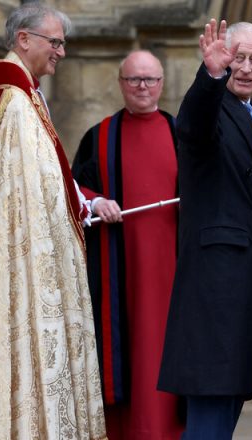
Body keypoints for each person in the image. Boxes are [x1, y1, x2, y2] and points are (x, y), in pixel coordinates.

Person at [0, 3, 106, 439]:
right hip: (24, 261)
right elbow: (26, 199)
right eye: (55, 42)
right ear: (24, 39)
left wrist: (84, 206)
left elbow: (49, 180)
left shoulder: (23, 95)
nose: (62, 52)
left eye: (63, 43)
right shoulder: (14, 102)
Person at [157, 19, 252, 440]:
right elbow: (192, 124)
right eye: (237, 58)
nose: (243, 68)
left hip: (244, 279)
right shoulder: (213, 107)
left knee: (228, 400)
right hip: (214, 281)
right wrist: (210, 75)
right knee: (210, 401)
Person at [71, 50, 184, 440]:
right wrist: (97, 201)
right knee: (128, 354)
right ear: (120, 83)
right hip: (118, 271)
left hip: (173, 271)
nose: (142, 87)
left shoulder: (181, 133)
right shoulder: (99, 137)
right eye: (134, 79)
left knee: (167, 352)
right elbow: (73, 190)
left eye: (150, 79)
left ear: (162, 84)